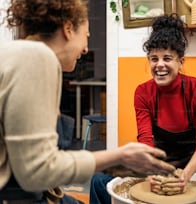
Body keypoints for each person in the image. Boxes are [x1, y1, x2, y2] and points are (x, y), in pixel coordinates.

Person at [0, 1, 175, 203]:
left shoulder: (13, 53)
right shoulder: (37, 57)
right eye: (87, 36)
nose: (86, 49)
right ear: (68, 29)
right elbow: (36, 172)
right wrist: (120, 157)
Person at [90, 13, 196, 204]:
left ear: (181, 62)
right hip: (158, 158)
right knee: (99, 180)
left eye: (167, 58)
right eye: (154, 59)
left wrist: (185, 175)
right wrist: (151, 172)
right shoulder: (143, 92)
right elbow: (146, 140)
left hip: (195, 159)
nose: (159, 65)